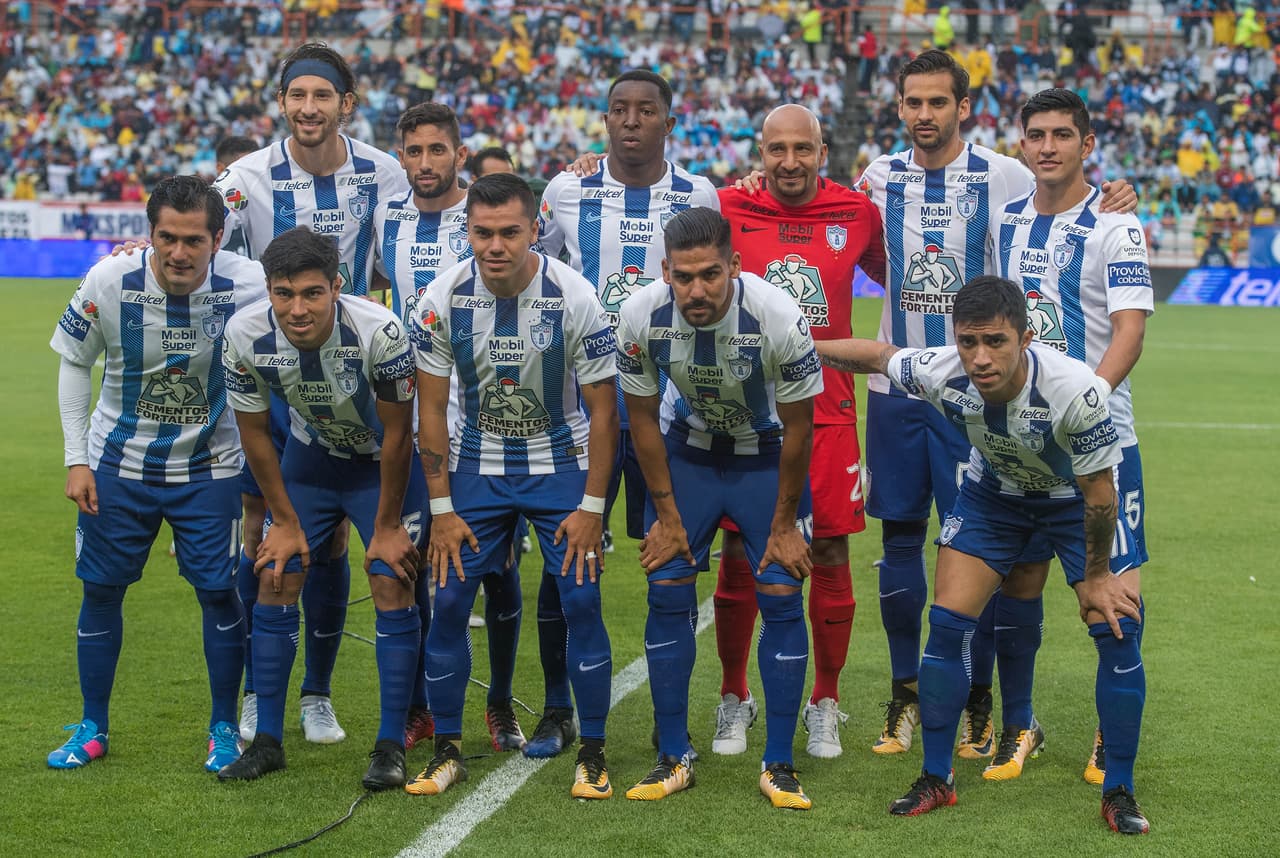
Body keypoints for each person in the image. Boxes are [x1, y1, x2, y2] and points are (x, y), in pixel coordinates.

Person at [855, 49, 1135, 760]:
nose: (924, 114)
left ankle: (997, 706)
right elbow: (829, 218)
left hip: (1007, 405)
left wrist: (1114, 193)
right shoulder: (877, 176)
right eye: (912, 102)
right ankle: (908, 696)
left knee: (1012, 562)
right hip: (914, 386)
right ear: (898, 106)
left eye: (937, 102)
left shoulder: (1005, 175)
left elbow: (1070, 194)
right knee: (908, 545)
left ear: (963, 108)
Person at [816, 276, 1149, 835]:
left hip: (1075, 503)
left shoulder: (1078, 390)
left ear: (1026, 336)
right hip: (994, 498)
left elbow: (1099, 496)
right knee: (946, 625)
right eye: (968, 341)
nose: (979, 357)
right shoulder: (943, 370)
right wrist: (803, 345)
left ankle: (1119, 789)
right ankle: (937, 778)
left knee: (1116, 627)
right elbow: (877, 354)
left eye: (995, 341)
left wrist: (1094, 578)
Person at [213, 42, 411, 746]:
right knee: (265, 542)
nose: (307, 108)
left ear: (345, 105)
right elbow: (198, 234)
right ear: (282, 103)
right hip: (277, 377)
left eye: (321, 96)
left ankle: (318, 694)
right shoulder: (247, 177)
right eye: (296, 96)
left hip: (363, 369)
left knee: (329, 551)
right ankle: (253, 694)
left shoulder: (382, 173)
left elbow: (418, 237)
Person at [404, 174, 618, 800]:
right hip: (475, 468)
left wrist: (592, 508)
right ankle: (447, 749)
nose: (494, 246)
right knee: (446, 602)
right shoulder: (440, 299)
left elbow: (604, 412)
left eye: (509, 232)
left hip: (560, 464)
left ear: (533, 231)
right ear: (466, 231)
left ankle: (595, 751)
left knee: (580, 602)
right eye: (481, 233)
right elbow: (432, 411)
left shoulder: (575, 298)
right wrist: (440, 509)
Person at [48, 175, 267, 773]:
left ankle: (223, 727)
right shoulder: (109, 278)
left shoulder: (250, 285)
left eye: (193, 240)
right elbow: (74, 363)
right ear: (148, 235)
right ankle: (93, 725)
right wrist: (76, 459)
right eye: (166, 237)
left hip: (211, 468)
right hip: (116, 465)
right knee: (101, 589)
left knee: (218, 591)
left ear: (219, 239)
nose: (178, 252)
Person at [534, 69, 719, 758]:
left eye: (646, 111)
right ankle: (557, 707)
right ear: (604, 119)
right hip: (581, 413)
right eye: (619, 110)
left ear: (671, 120)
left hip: (667, 411)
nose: (631, 121)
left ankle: (673, 719)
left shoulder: (696, 193)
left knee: (667, 558)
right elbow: (537, 276)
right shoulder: (565, 191)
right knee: (566, 559)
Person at [616, 207, 821, 809]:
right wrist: (668, 515)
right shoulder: (639, 314)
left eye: (711, 274)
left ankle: (779, 762)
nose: (697, 290)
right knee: (668, 587)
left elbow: (801, 428)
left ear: (735, 265)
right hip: (691, 458)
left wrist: (784, 523)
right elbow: (643, 420)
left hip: (768, 458)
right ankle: (674, 755)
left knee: (782, 594)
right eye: (684, 277)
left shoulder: (780, 317)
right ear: (665, 272)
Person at [215, 226, 425, 791]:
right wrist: (282, 521)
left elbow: (401, 433)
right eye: (283, 294)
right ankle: (267, 744)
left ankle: (389, 746)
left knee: (389, 577)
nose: (297, 308)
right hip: (315, 460)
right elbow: (256, 433)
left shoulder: (381, 331)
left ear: (337, 285)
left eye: (312, 293)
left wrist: (384, 527)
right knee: (276, 573)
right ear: (268, 291)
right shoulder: (244, 334)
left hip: (385, 464)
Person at [990, 87, 1153, 784]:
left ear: (1088, 144)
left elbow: (1130, 332)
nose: (1048, 146)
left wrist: (1083, 405)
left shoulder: (1118, 225)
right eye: (1037, 134)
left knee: (1113, 598)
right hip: (1022, 445)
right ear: (1022, 143)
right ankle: (1019, 724)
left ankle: (1108, 739)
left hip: (1100, 442)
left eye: (1063, 134)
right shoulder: (1005, 221)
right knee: (1019, 585)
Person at [713, 104, 885, 760]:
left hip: (829, 411)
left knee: (833, 554)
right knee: (738, 555)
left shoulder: (856, 213)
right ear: (761, 152)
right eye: (776, 150)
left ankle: (826, 701)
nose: (789, 162)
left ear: (823, 150)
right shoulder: (729, 205)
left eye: (802, 149)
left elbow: (902, 271)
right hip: (747, 413)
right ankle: (735, 694)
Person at [373, 101, 525, 754]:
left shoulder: (486, 219)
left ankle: (498, 702)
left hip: (489, 416)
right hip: (411, 417)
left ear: (460, 155)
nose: (426, 163)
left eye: (438, 150)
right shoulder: (385, 218)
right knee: (417, 562)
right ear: (400, 157)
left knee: (498, 569)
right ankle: (419, 709)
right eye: (414, 151)